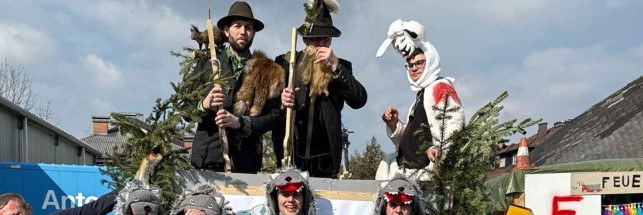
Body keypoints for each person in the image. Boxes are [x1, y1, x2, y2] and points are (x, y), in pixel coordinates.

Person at [272, 1, 367, 178]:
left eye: (325, 39)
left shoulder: (341, 66)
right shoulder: (286, 63)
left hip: (325, 162)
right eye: (315, 39)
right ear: (306, 39)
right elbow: (269, 109)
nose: (320, 44)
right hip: (291, 155)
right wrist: (281, 102)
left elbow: (359, 100)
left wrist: (336, 67)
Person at [190, 1, 284, 173]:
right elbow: (184, 108)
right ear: (226, 31)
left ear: (253, 33)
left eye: (248, 27)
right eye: (237, 26)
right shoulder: (206, 62)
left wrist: (240, 123)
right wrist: (203, 104)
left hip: (246, 163)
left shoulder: (266, 69)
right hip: (208, 160)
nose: (243, 32)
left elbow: (274, 117)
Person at [375, 20, 465, 179]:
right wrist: (394, 124)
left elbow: (453, 124)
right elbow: (415, 138)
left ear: (430, 60)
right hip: (407, 172)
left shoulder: (440, 87)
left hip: (423, 177)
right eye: (410, 65)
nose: (414, 68)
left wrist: (441, 152)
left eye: (419, 63)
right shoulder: (422, 94)